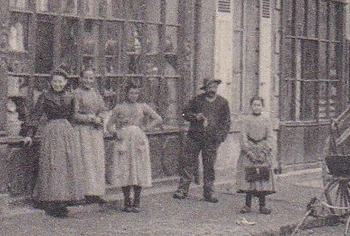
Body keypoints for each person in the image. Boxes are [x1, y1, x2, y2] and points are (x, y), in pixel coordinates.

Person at [29, 69, 85, 218]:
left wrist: (69, 131)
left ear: (65, 82)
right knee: (53, 164)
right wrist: (29, 134)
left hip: (66, 131)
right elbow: (36, 115)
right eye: (55, 81)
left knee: (66, 165)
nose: (58, 84)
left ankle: (63, 200)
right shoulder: (45, 96)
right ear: (50, 82)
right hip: (52, 131)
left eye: (60, 81)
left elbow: (73, 116)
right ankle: (51, 201)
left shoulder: (70, 97)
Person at [106, 83, 163, 213]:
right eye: (131, 93)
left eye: (136, 93)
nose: (134, 96)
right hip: (124, 140)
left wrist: (146, 128)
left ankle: (137, 201)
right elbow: (109, 125)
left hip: (138, 139)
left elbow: (158, 118)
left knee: (138, 169)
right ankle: (127, 201)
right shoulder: (119, 108)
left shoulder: (142, 106)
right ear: (126, 93)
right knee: (125, 168)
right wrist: (116, 133)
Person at [177, 78, 232, 202]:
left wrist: (220, 138)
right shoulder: (197, 100)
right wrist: (195, 116)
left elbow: (226, 122)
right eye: (209, 86)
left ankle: (209, 192)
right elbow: (184, 114)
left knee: (209, 166)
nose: (212, 89)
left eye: (214, 86)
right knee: (188, 163)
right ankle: (183, 189)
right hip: (194, 137)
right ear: (205, 88)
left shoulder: (223, 103)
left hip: (211, 140)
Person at [71, 67, 110, 205]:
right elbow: (73, 115)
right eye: (86, 77)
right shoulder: (76, 94)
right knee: (85, 161)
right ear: (80, 79)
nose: (88, 81)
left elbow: (103, 109)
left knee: (96, 161)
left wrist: (100, 117)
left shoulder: (96, 93)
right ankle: (83, 193)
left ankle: (95, 192)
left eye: (91, 78)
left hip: (95, 131)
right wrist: (90, 118)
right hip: (82, 131)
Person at [237, 96, 278, 214]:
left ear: (262, 107)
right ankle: (247, 205)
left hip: (262, 150)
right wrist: (248, 151)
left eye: (258, 105)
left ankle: (262, 205)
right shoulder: (246, 120)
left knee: (262, 178)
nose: (256, 107)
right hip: (249, 150)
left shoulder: (266, 120)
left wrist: (264, 152)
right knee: (250, 178)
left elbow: (270, 137)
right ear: (251, 106)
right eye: (254, 105)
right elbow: (243, 136)